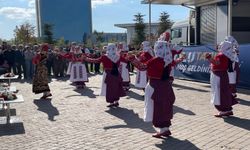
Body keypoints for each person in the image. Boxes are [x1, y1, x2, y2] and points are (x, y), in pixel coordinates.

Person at [128, 40, 175, 138]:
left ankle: (162, 130)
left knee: (157, 108)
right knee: (165, 107)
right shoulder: (169, 59)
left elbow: (142, 67)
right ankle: (165, 129)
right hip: (166, 86)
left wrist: (132, 59)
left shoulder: (156, 60)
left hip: (155, 86)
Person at [84, 43, 126, 107]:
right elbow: (126, 60)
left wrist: (86, 58)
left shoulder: (105, 56)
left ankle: (111, 102)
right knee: (116, 87)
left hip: (108, 74)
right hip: (117, 74)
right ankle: (116, 101)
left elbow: (96, 61)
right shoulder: (118, 56)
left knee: (109, 88)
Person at [205, 40, 239, 117]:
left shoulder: (222, 55)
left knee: (219, 92)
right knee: (224, 91)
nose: (219, 46)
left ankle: (224, 110)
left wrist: (209, 58)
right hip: (222, 75)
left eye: (221, 45)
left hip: (218, 75)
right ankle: (227, 109)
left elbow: (216, 63)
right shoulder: (228, 54)